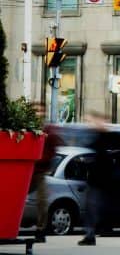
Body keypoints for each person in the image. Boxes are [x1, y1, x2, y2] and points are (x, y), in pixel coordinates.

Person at [79, 111, 120, 246]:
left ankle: (97, 231)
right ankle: (92, 233)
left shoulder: (112, 137)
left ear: (101, 121)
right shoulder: (95, 138)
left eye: (91, 121)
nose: (89, 124)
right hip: (98, 180)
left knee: (98, 206)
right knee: (93, 207)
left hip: (106, 180)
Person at [31, 103, 63, 243]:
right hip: (27, 169)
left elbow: (54, 148)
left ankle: (40, 230)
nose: (38, 113)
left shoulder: (48, 130)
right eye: (35, 111)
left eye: (40, 111)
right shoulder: (28, 128)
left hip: (39, 171)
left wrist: (42, 160)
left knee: (42, 201)